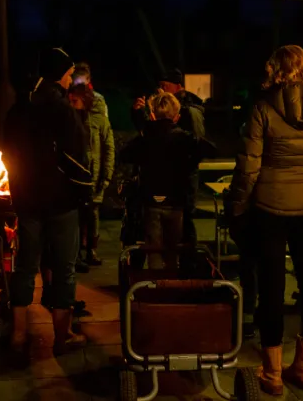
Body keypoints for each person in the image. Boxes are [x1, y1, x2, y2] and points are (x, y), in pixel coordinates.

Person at [229, 45, 303, 395]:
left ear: (275, 70)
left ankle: (272, 374)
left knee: (271, 289)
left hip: (270, 207)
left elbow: (250, 166)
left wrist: (237, 205)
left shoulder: (263, 108)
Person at [3, 47, 92, 356]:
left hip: (27, 200)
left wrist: (19, 191)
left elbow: (7, 156)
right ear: (58, 75)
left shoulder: (18, 109)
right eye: (68, 74)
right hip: (61, 202)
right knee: (64, 268)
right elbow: (77, 159)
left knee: (25, 267)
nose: (71, 79)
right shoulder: (62, 109)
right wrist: (86, 193)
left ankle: (17, 336)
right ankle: (63, 335)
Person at [121, 92, 214, 269]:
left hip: (150, 200)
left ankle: (155, 283)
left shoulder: (145, 138)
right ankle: (171, 285)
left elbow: (125, 154)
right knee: (173, 251)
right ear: (177, 117)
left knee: (153, 248)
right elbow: (210, 148)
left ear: (153, 115)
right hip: (176, 201)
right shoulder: (184, 138)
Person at [132, 69, 206, 258]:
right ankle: (166, 276)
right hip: (163, 185)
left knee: (184, 228)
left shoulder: (188, 111)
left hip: (182, 184)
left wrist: (186, 166)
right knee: (163, 235)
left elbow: (196, 145)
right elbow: (148, 138)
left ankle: (186, 270)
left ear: (178, 87)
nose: (160, 90)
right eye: (160, 86)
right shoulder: (164, 110)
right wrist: (141, 116)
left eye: (165, 86)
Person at [71, 63, 115, 267]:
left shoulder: (98, 105)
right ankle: (77, 251)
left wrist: (106, 174)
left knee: (93, 212)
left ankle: (91, 250)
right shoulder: (69, 106)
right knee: (77, 213)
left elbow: (107, 142)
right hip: (76, 171)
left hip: (94, 172)